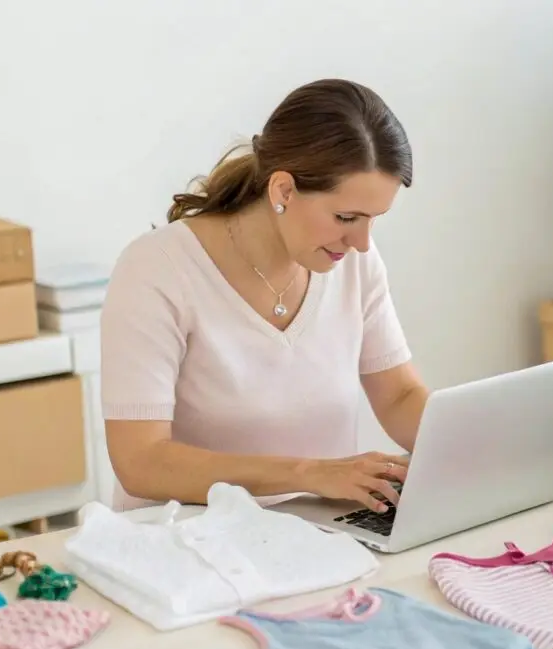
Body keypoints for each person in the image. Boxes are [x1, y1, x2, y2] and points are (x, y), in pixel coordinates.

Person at [99, 79, 429, 514]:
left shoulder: (354, 263)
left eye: (373, 219)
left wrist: (479, 445)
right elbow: (141, 461)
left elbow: (398, 395)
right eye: (346, 217)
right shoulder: (157, 269)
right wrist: (307, 473)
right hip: (186, 546)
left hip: (321, 538)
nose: (362, 242)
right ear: (283, 191)